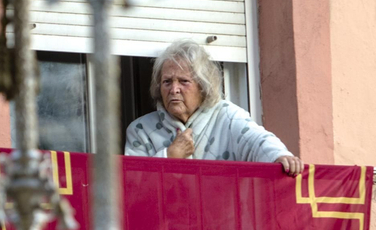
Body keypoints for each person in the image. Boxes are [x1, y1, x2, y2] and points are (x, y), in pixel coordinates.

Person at [124, 39, 304, 175]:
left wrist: (280, 156)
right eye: (167, 82)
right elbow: (133, 182)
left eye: (183, 81)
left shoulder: (227, 116)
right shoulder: (140, 130)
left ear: (203, 87)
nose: (174, 89)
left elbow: (256, 140)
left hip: (220, 221)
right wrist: (169, 156)